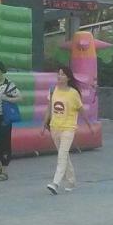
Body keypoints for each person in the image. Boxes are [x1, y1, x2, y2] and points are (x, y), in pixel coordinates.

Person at [41, 66, 95, 195]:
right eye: (58, 74)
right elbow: (49, 109)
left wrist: (90, 126)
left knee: (62, 155)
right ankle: (71, 181)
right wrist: (43, 126)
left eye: (63, 74)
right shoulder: (53, 90)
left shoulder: (73, 93)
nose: (59, 77)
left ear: (68, 78)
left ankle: (55, 183)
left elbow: (82, 111)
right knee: (64, 155)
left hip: (68, 128)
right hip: (55, 127)